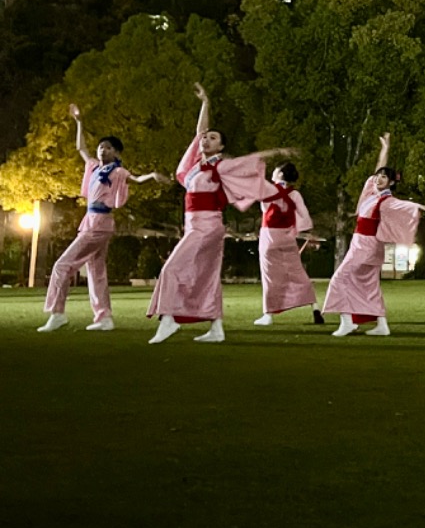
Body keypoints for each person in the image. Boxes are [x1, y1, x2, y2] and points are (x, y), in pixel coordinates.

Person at [149, 85, 286, 345]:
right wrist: (205, 103)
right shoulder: (194, 167)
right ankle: (216, 328)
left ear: (221, 146)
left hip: (207, 227)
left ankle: (168, 319)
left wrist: (277, 153)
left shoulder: (221, 166)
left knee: (172, 268)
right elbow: (198, 132)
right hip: (196, 226)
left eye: (213, 138)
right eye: (205, 138)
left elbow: (250, 162)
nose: (205, 140)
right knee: (207, 276)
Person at [38, 104, 169, 333]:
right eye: (100, 147)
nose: (102, 151)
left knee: (62, 266)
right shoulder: (94, 168)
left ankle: (57, 313)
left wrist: (152, 176)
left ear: (116, 153)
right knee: (96, 271)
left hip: (99, 223)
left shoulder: (117, 172)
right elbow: (81, 148)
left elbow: (136, 180)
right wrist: (79, 121)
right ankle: (104, 317)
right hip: (92, 221)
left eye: (107, 148)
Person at [323, 132, 425, 337]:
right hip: (367, 246)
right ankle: (382, 325)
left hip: (365, 246)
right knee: (369, 285)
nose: (378, 178)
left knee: (339, 279)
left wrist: (421, 206)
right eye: (379, 175)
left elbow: (406, 206)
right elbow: (378, 170)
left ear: (392, 183)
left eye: (385, 177)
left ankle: (347, 321)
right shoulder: (371, 192)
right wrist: (385, 149)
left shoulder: (388, 201)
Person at [253, 162, 324, 327]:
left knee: (270, 277)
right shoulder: (295, 194)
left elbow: (264, 209)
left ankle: (268, 314)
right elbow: (304, 217)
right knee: (297, 273)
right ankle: (315, 307)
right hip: (288, 237)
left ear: (280, 175)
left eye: (276, 170)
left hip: (270, 235)